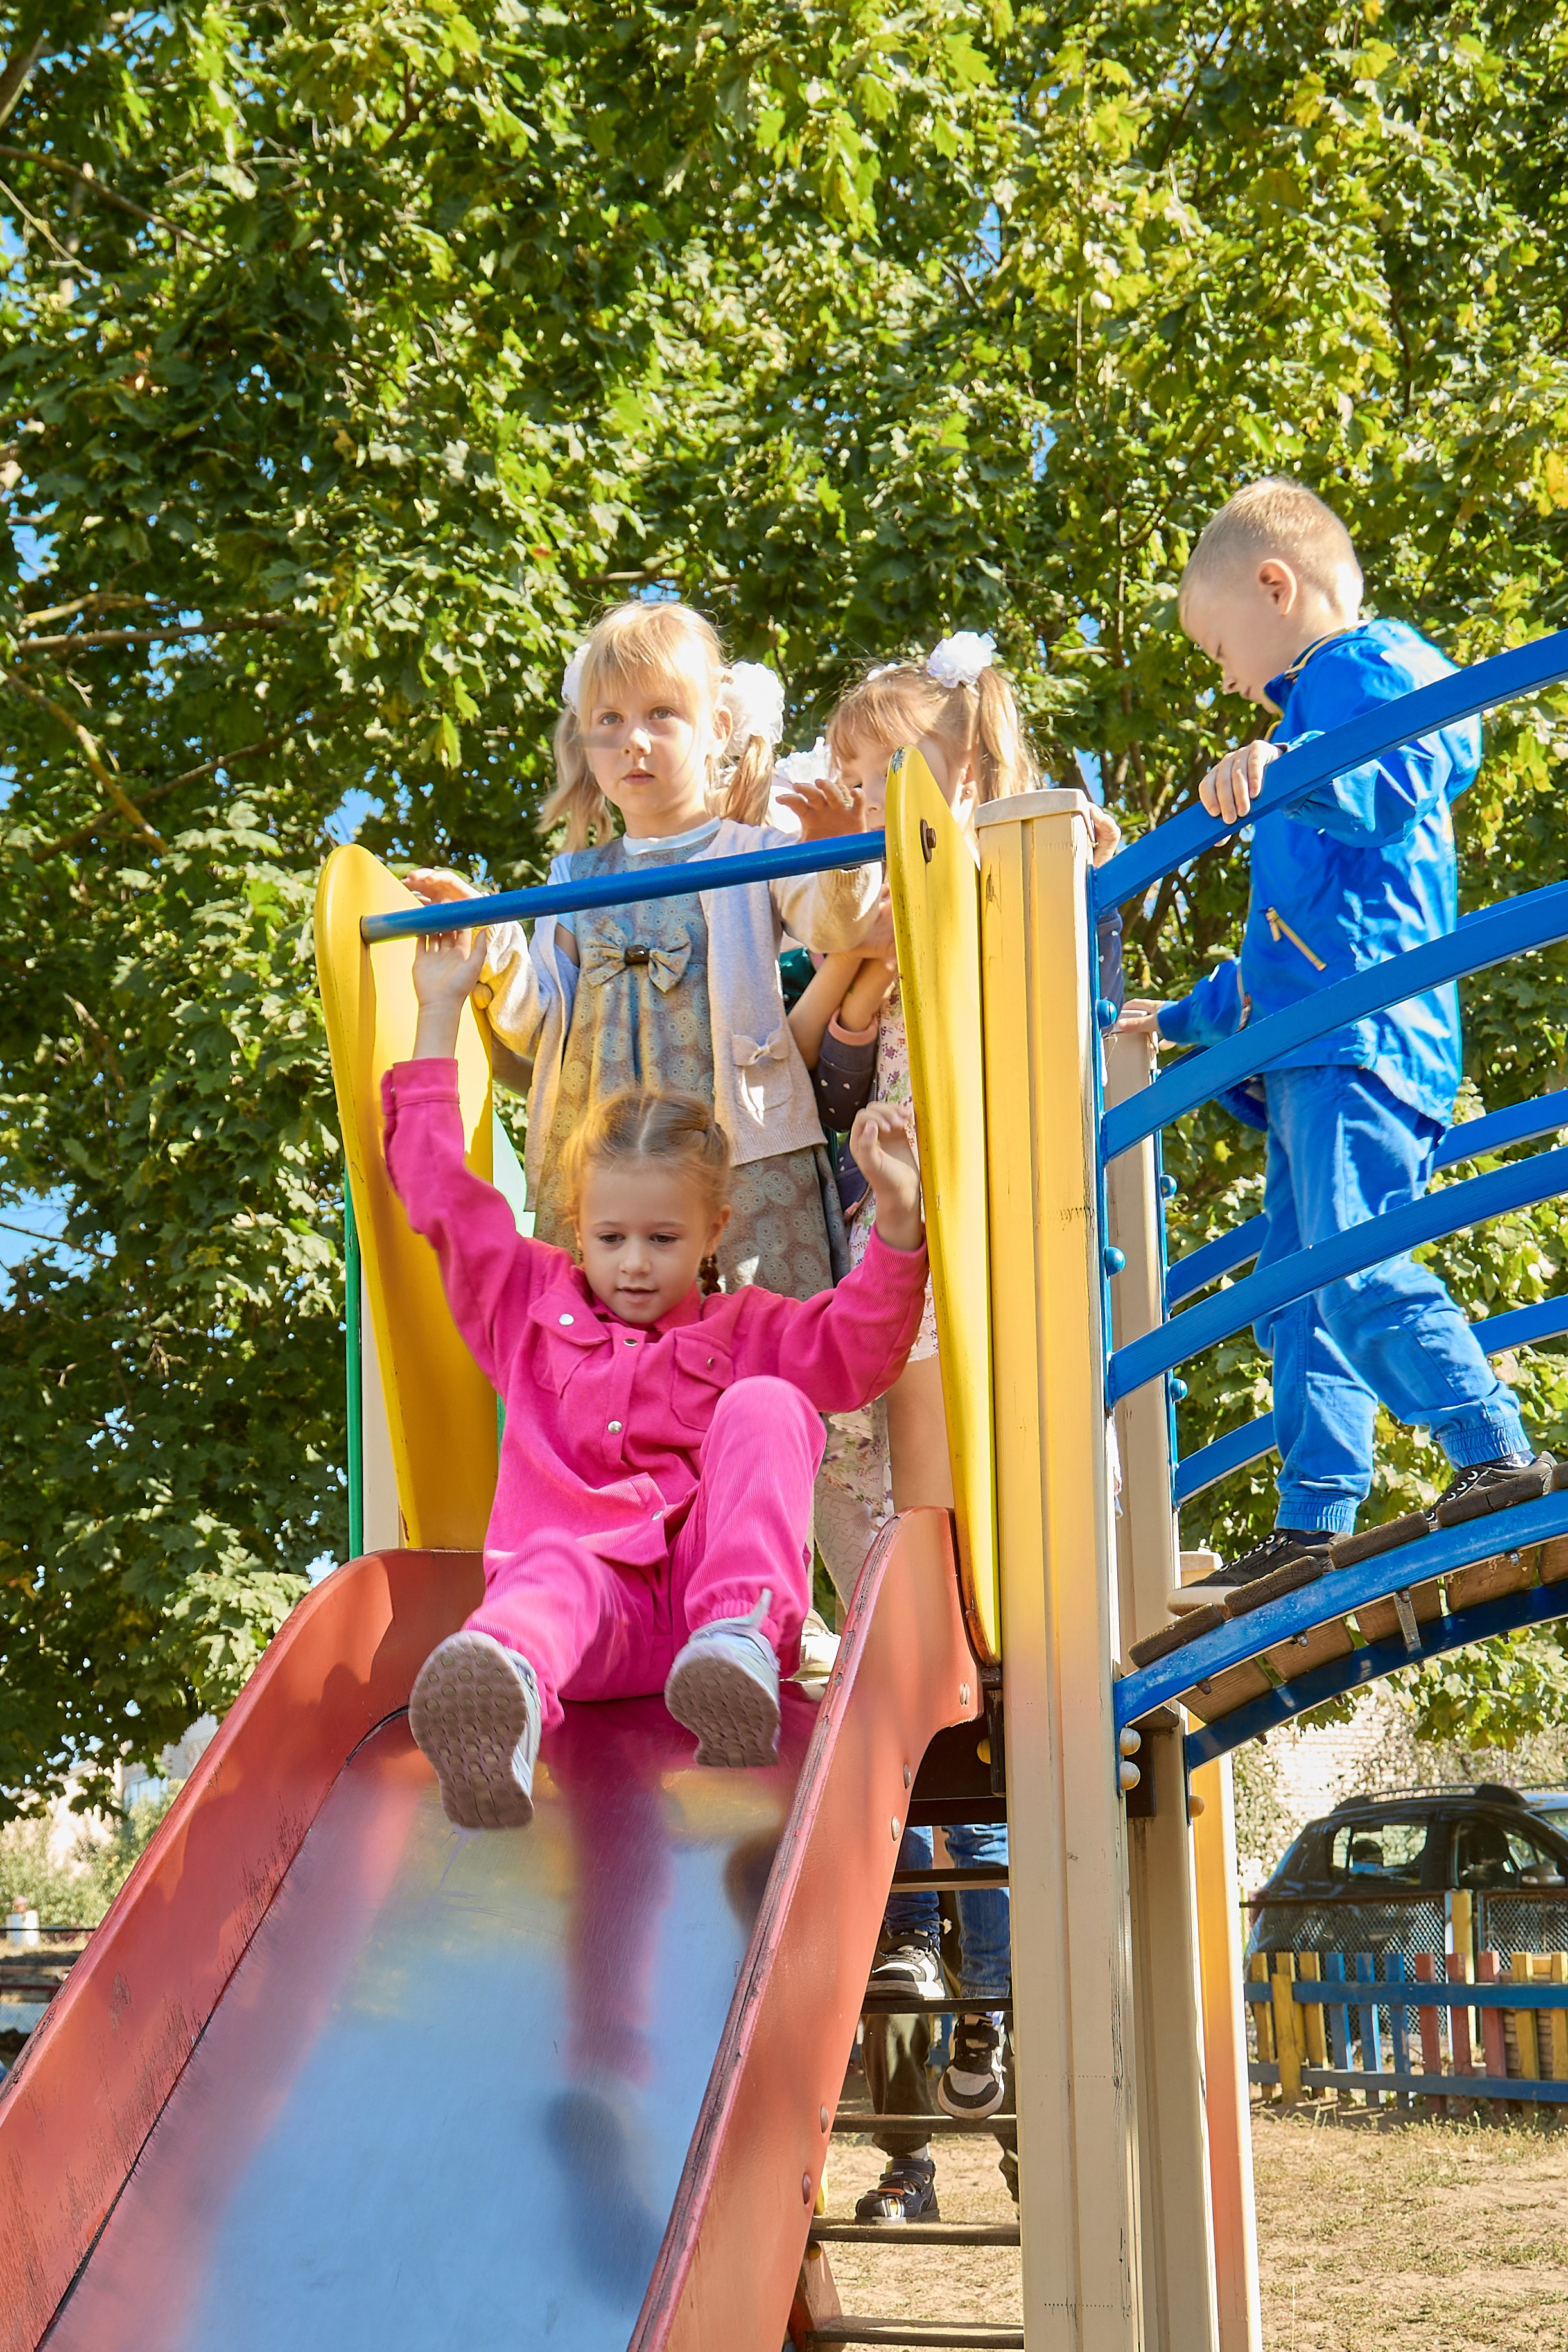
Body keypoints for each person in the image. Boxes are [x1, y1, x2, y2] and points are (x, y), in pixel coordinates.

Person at [791, 632, 1122, 2224]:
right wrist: (834, 922)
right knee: (865, 1442)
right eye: (849, 780)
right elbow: (815, 1062)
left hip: (987, 1280)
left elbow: (1057, 1014)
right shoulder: (867, 925)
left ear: (953, 768)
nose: (862, 801)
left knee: (945, 1441)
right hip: (899, 1254)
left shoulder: (1009, 873)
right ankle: (915, 2102)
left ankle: (985, 2055)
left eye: (879, 773)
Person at [383, 917, 930, 1827]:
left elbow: (859, 1350)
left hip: (705, 1612)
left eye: (662, 1238)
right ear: (578, 1222)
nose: (634, 1261)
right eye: (610, 1237)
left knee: (767, 1402)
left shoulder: (740, 1326)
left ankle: (741, 1639)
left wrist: (900, 1216)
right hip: (588, 1623)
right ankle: (500, 1696)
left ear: (715, 1230)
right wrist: (438, 1007)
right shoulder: (524, 1301)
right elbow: (438, 1187)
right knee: (548, 1564)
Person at [1118, 476, 1547, 1625]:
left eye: (1221, 646)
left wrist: (1285, 770)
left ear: (1278, 586)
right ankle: (1312, 1515)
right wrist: (1169, 1019)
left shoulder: (1368, 669)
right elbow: (1281, 955)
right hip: (1317, 1040)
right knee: (1294, 1293)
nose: (1223, 674)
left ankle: (1490, 1443)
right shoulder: (1303, 723)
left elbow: (1407, 773)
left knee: (1352, 1265)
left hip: (1364, 1044)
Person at [406, 599, 880, 1303]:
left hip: (739, 1163)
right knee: (609, 1374)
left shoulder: (755, 854)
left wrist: (843, 858)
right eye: (610, 721)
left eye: (662, 714)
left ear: (717, 729)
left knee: (757, 1349)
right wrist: (483, 930)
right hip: (604, 1173)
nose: (635, 740)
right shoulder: (575, 880)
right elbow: (537, 1022)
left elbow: (837, 927)